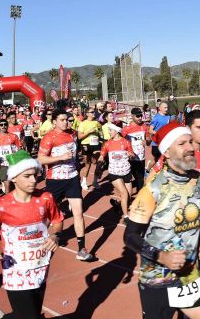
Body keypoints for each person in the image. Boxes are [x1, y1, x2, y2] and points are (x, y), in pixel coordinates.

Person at [124, 122, 200, 319]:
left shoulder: (198, 180)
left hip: (189, 276)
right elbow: (130, 236)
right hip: (157, 281)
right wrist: (163, 257)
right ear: (167, 153)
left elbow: (188, 217)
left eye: (190, 142)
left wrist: (199, 240)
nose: (189, 148)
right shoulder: (152, 190)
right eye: (181, 144)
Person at [0, 150, 63, 319]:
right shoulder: (1, 205)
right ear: (14, 177)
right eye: (27, 176)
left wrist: (54, 235)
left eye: (35, 175)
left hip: (40, 266)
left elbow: (57, 221)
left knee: (31, 313)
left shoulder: (46, 198)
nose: (34, 180)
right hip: (15, 270)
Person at [38, 109, 95, 261]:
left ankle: (81, 249)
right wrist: (60, 157)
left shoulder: (72, 134)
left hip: (72, 178)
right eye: (62, 120)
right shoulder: (49, 138)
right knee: (49, 215)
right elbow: (41, 159)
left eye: (67, 120)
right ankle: (38, 242)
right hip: (55, 180)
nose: (66, 122)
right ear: (54, 121)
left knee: (78, 212)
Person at [98, 123, 135, 218]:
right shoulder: (107, 143)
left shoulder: (126, 142)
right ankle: (126, 216)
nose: (109, 132)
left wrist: (130, 155)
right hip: (114, 172)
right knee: (124, 193)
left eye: (111, 130)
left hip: (126, 171)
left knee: (128, 196)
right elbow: (102, 155)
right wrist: (100, 162)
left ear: (116, 131)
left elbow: (132, 155)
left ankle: (117, 205)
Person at [0, 118, 24, 194]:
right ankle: (8, 202)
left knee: (16, 183)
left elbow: (19, 148)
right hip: (3, 164)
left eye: (5, 124)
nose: (3, 126)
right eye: (1, 125)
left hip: (13, 162)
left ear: (7, 125)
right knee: (7, 184)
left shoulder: (14, 136)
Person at [122, 107, 150, 193]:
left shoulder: (144, 126)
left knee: (140, 178)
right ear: (132, 116)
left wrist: (147, 141)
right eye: (138, 116)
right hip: (130, 158)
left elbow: (148, 140)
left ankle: (139, 197)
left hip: (141, 157)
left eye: (141, 115)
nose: (140, 118)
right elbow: (121, 143)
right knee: (131, 178)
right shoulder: (126, 129)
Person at [77, 108, 102, 191]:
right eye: (91, 112)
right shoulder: (83, 123)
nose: (93, 113)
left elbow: (101, 132)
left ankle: (95, 181)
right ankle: (84, 182)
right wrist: (89, 132)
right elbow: (79, 136)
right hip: (86, 144)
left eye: (94, 112)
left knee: (98, 163)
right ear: (87, 114)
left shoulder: (96, 122)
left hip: (96, 144)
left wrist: (100, 134)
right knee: (88, 164)